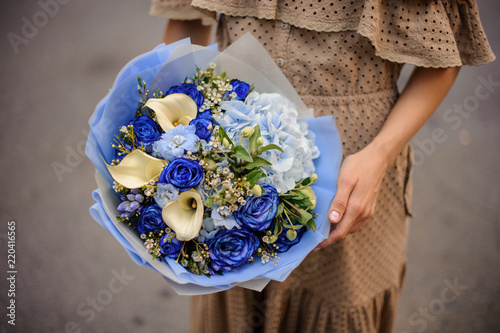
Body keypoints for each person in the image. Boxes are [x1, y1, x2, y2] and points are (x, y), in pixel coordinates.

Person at [150, 1, 495, 332]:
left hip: (356, 168)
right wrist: (164, 138)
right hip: (226, 159)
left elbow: (443, 57)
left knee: (338, 306)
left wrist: (380, 155)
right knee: (235, 298)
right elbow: (187, 24)